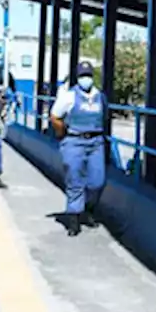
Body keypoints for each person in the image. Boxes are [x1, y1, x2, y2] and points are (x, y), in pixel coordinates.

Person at [50, 61, 107, 237]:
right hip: (74, 141)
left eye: (88, 75)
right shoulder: (69, 96)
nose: (86, 79)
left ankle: (88, 209)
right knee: (74, 181)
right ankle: (74, 218)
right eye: (83, 76)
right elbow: (55, 117)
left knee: (97, 181)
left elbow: (105, 116)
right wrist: (62, 133)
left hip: (95, 141)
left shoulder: (100, 97)